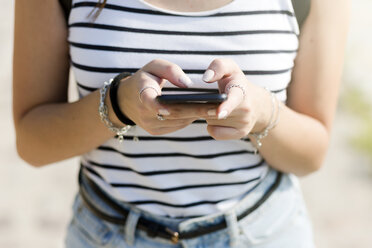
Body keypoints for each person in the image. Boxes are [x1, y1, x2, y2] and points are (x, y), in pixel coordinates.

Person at [13, 0, 350, 247]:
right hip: (108, 235)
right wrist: (118, 104)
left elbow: (312, 154)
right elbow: (33, 144)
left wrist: (262, 112)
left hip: (260, 233)